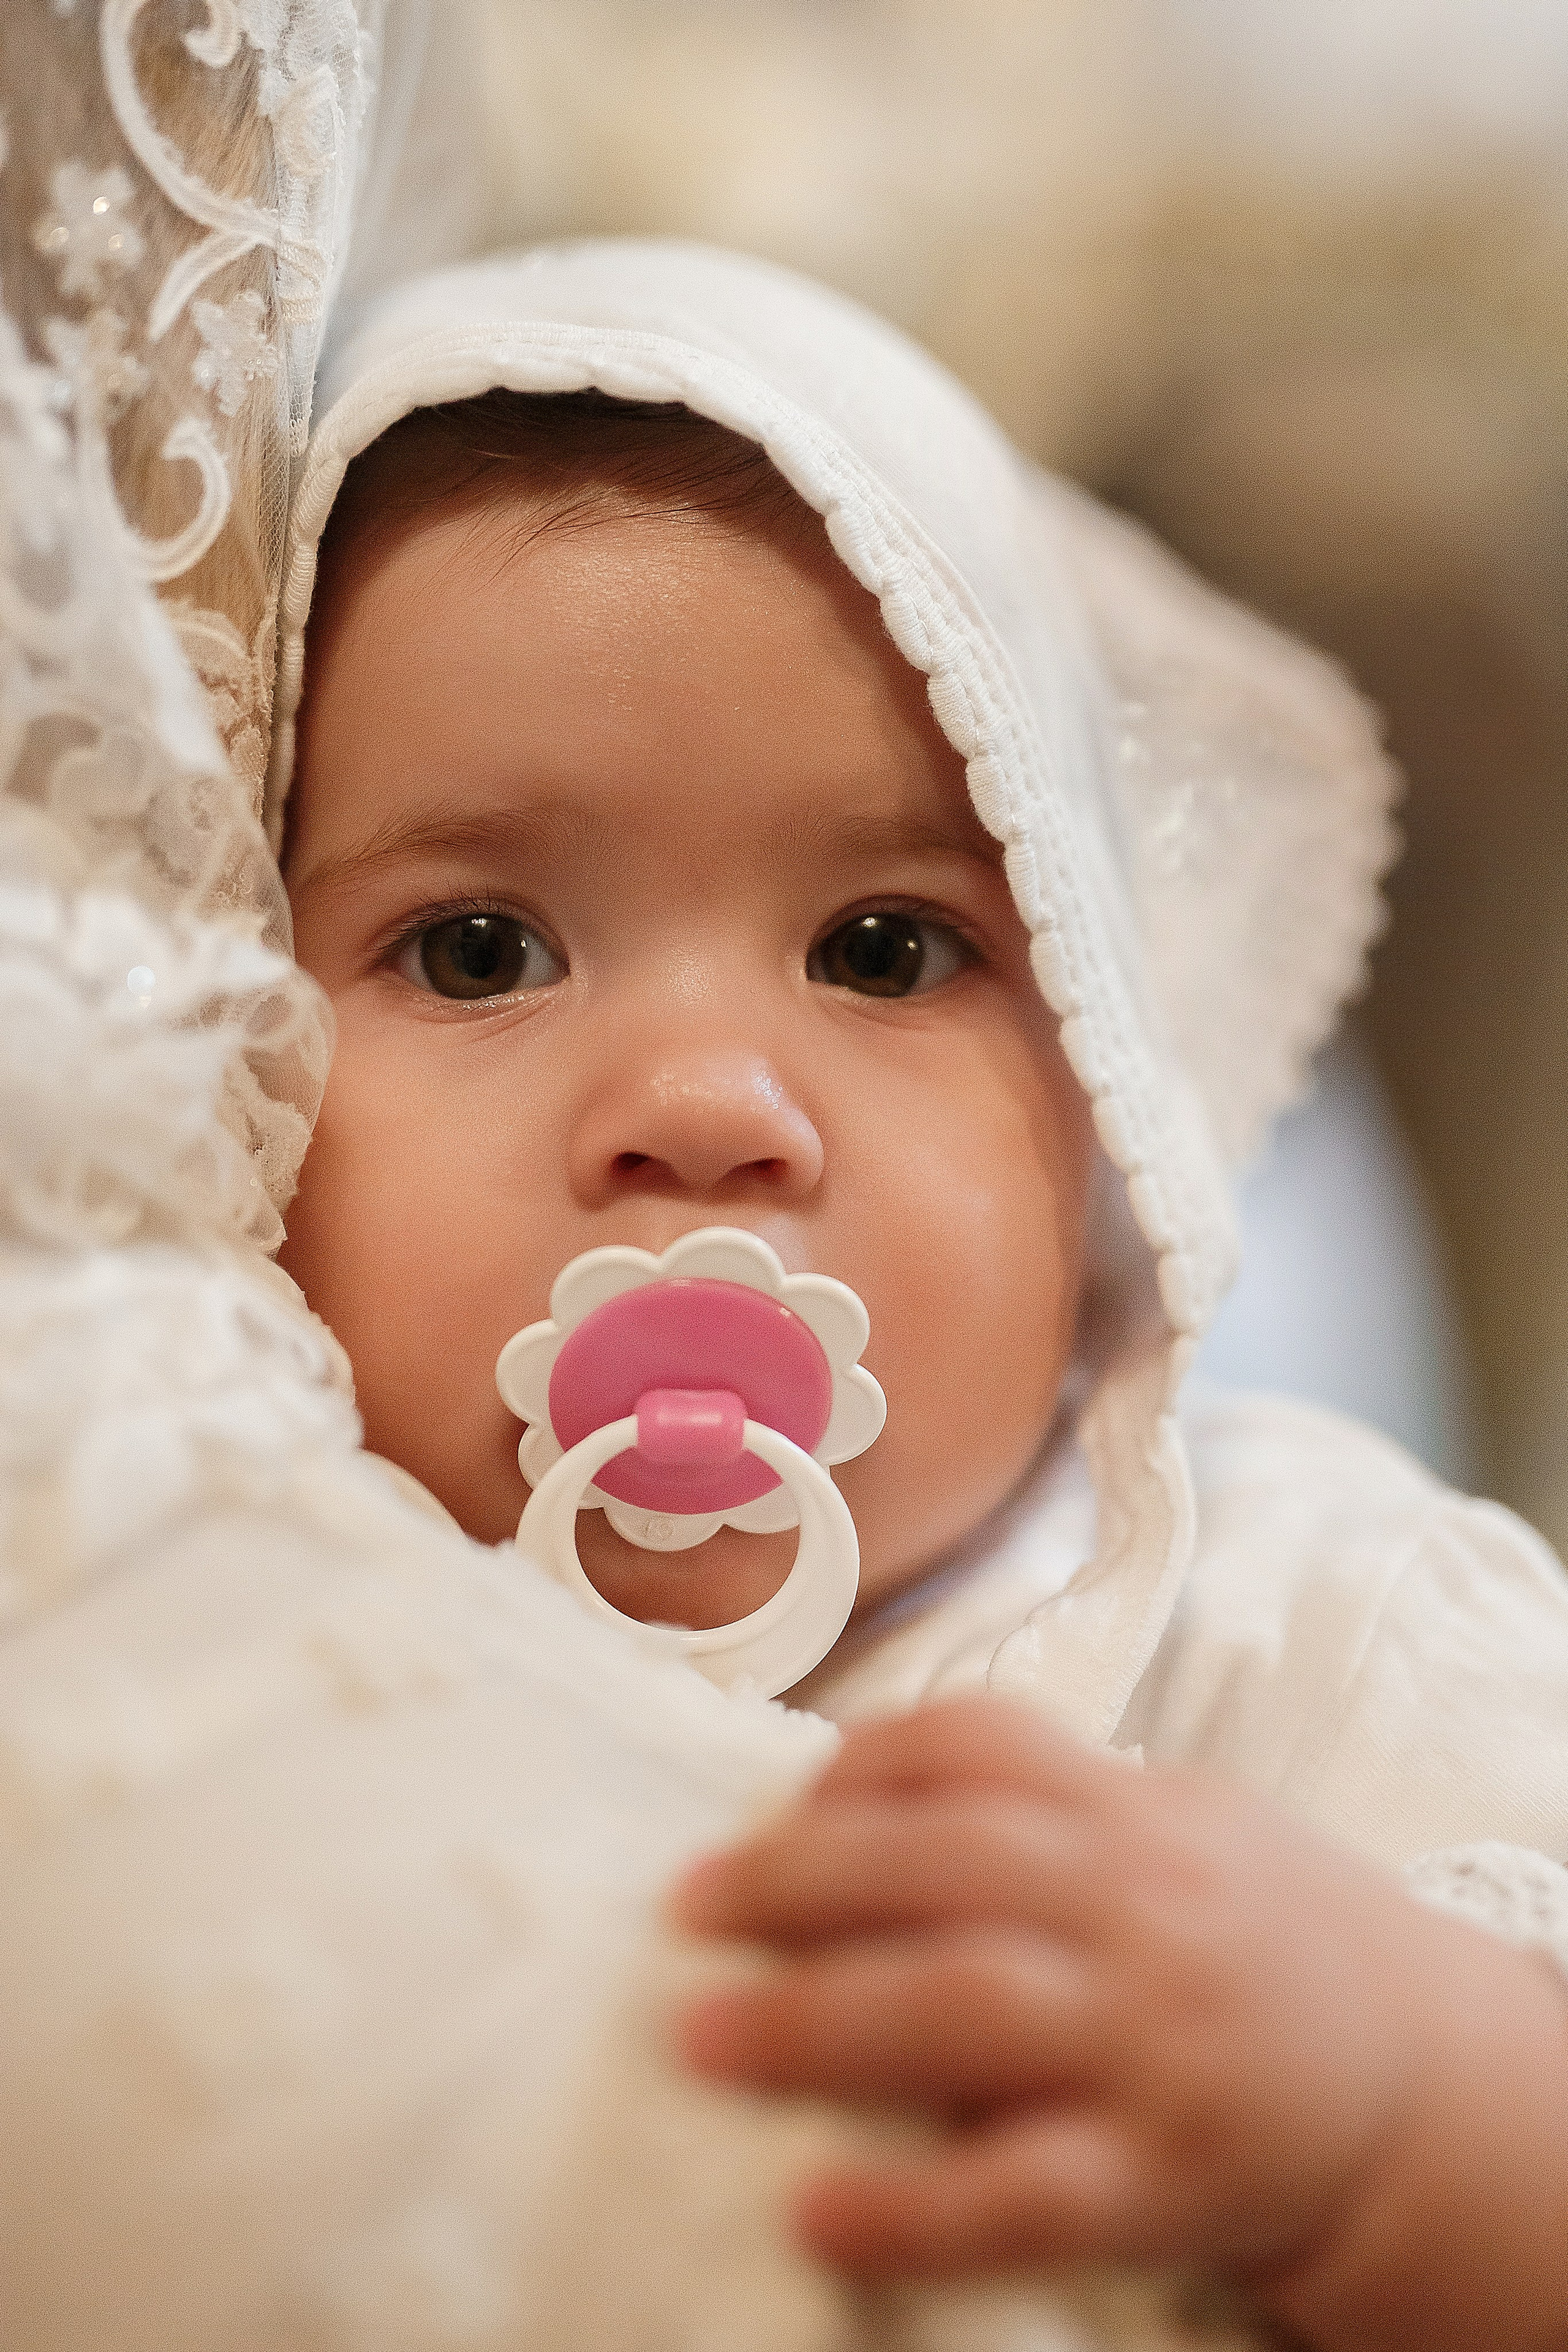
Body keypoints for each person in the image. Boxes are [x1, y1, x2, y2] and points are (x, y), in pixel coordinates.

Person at [266, 240, 1568, 2350]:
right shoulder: (243, 1626)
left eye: (883, 948)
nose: (701, 1109)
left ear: (1107, 1105)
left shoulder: (1312, 1635)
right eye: (482, 948)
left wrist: (1407, 2094)